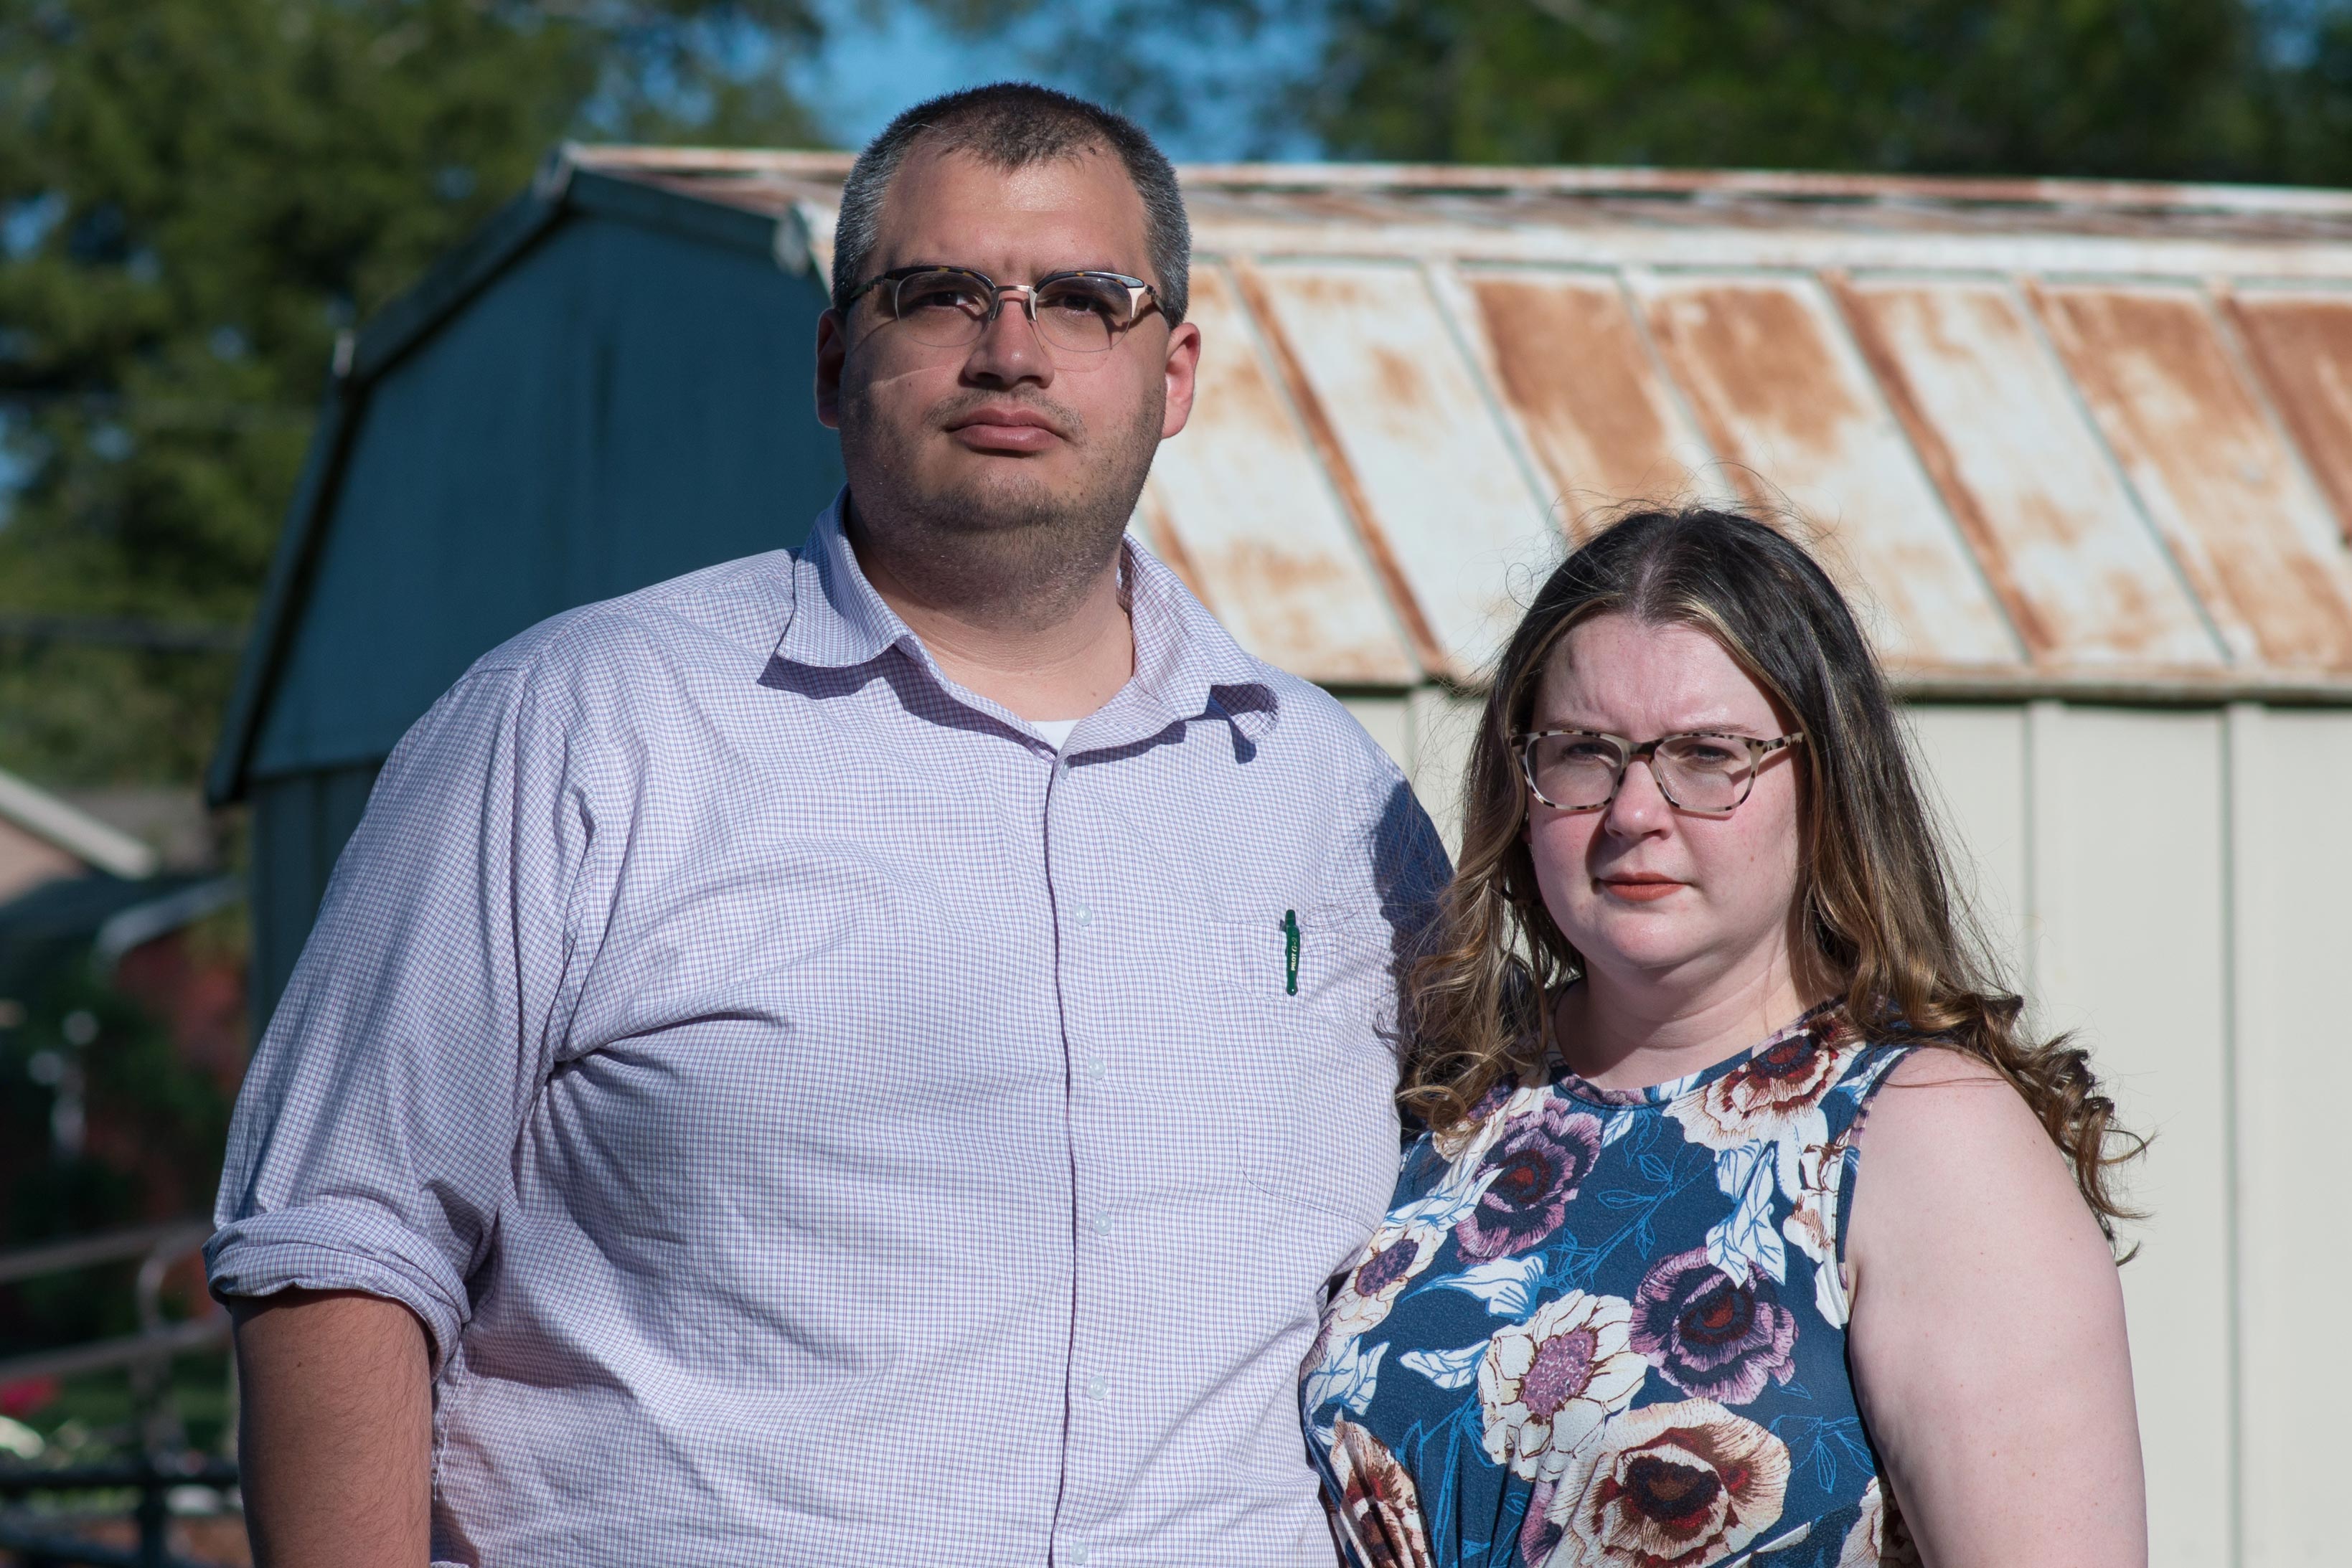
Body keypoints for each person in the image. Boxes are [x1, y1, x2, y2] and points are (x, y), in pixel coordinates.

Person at [209, 83, 1447, 1567]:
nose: (1011, 348)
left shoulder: (1327, 792)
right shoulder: (577, 728)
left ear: (1171, 371)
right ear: (830, 356)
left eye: (1081, 298)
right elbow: (333, 1244)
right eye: (937, 294)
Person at [1302, 508, 2147, 1568]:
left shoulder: (1924, 1139)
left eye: (1708, 755)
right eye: (1581, 753)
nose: (1634, 810)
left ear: (1824, 781)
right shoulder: (1453, 1097)